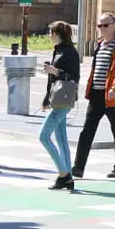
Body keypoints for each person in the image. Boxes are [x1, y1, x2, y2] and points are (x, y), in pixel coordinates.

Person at [73, 11, 115, 179]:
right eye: (99, 26)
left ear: (114, 25)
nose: (101, 29)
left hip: (114, 97)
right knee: (86, 132)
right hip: (97, 95)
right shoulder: (99, 44)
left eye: (105, 25)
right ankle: (78, 168)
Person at [38, 21, 79, 192]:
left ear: (57, 33)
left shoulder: (70, 52)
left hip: (65, 99)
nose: (49, 35)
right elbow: (53, 79)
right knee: (61, 138)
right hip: (57, 98)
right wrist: (47, 98)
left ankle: (64, 174)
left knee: (44, 136)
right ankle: (67, 176)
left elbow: (74, 77)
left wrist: (55, 71)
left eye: (50, 32)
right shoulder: (58, 50)